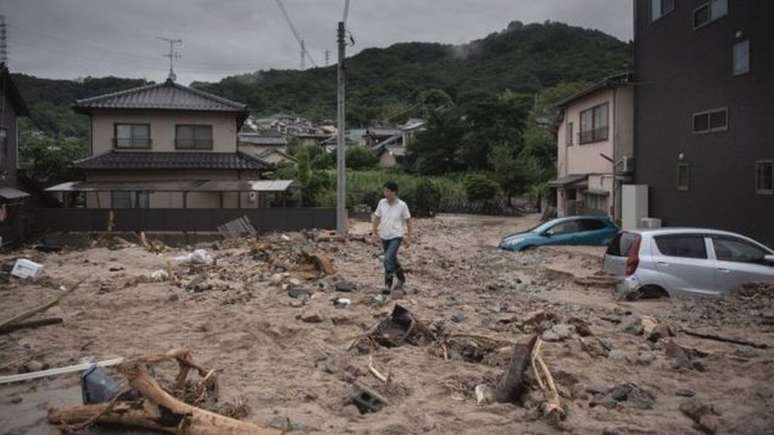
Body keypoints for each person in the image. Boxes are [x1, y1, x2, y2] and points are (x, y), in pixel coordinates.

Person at [372, 181, 412, 293]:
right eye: (384, 191)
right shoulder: (382, 203)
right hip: (384, 235)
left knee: (388, 258)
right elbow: (376, 217)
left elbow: (408, 221)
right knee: (392, 259)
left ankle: (387, 284)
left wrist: (409, 237)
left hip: (396, 236)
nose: (385, 193)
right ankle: (401, 278)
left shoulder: (402, 205)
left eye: (387, 191)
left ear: (394, 192)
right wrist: (374, 232)